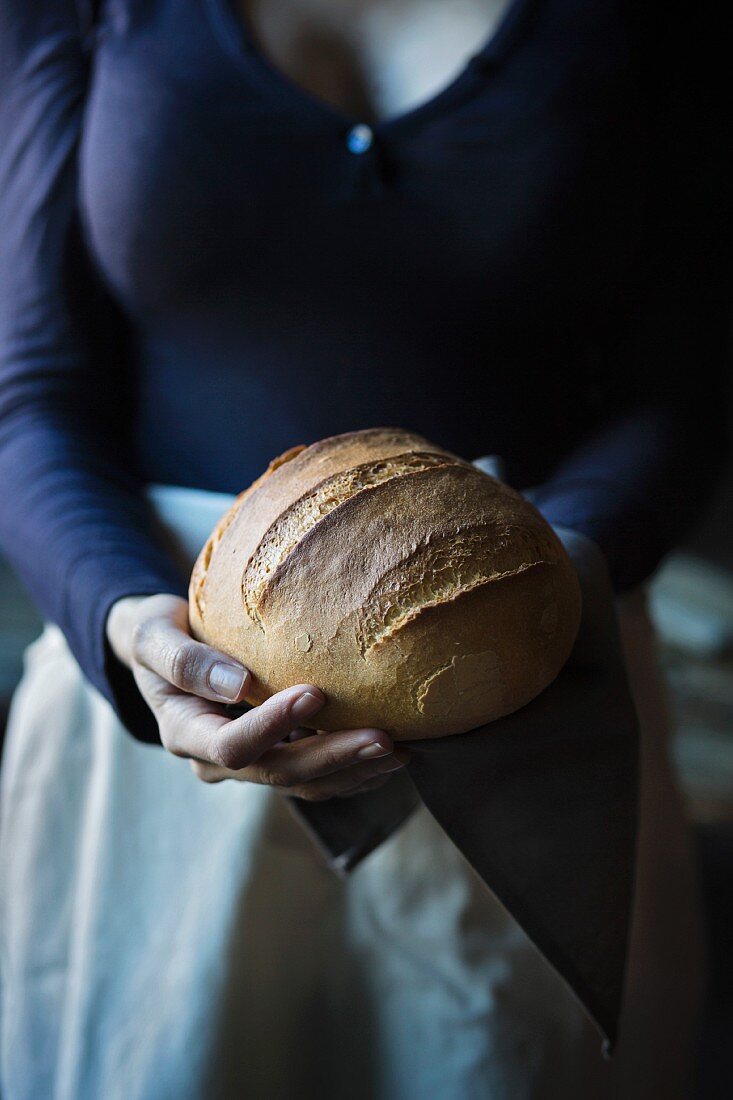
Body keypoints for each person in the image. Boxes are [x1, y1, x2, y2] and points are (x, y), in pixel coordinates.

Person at [0, 1, 729, 1097]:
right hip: (153, 704)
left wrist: (548, 571)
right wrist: (122, 620)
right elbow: (33, 395)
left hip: (537, 700)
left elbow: (679, 390)